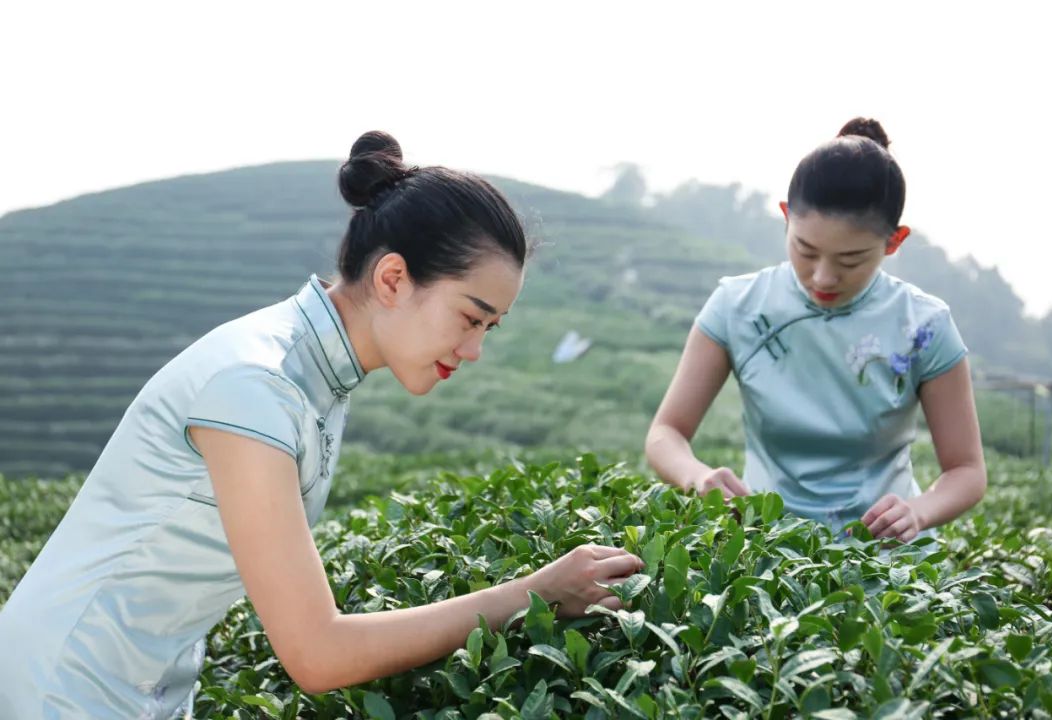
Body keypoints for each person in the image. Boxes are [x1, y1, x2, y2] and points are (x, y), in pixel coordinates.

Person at [0, 131, 644, 719]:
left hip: (140, 688)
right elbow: (317, 655)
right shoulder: (258, 386)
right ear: (393, 278)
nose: (474, 349)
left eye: (489, 328)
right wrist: (535, 592)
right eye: (471, 317)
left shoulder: (312, 380)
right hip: (64, 688)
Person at [645, 118, 986, 543]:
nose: (823, 278)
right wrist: (697, 476)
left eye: (851, 261)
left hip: (884, 557)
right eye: (805, 251)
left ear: (894, 242)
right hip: (767, 551)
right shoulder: (738, 307)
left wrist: (917, 512)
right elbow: (666, 433)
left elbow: (967, 470)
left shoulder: (925, 326)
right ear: (786, 218)